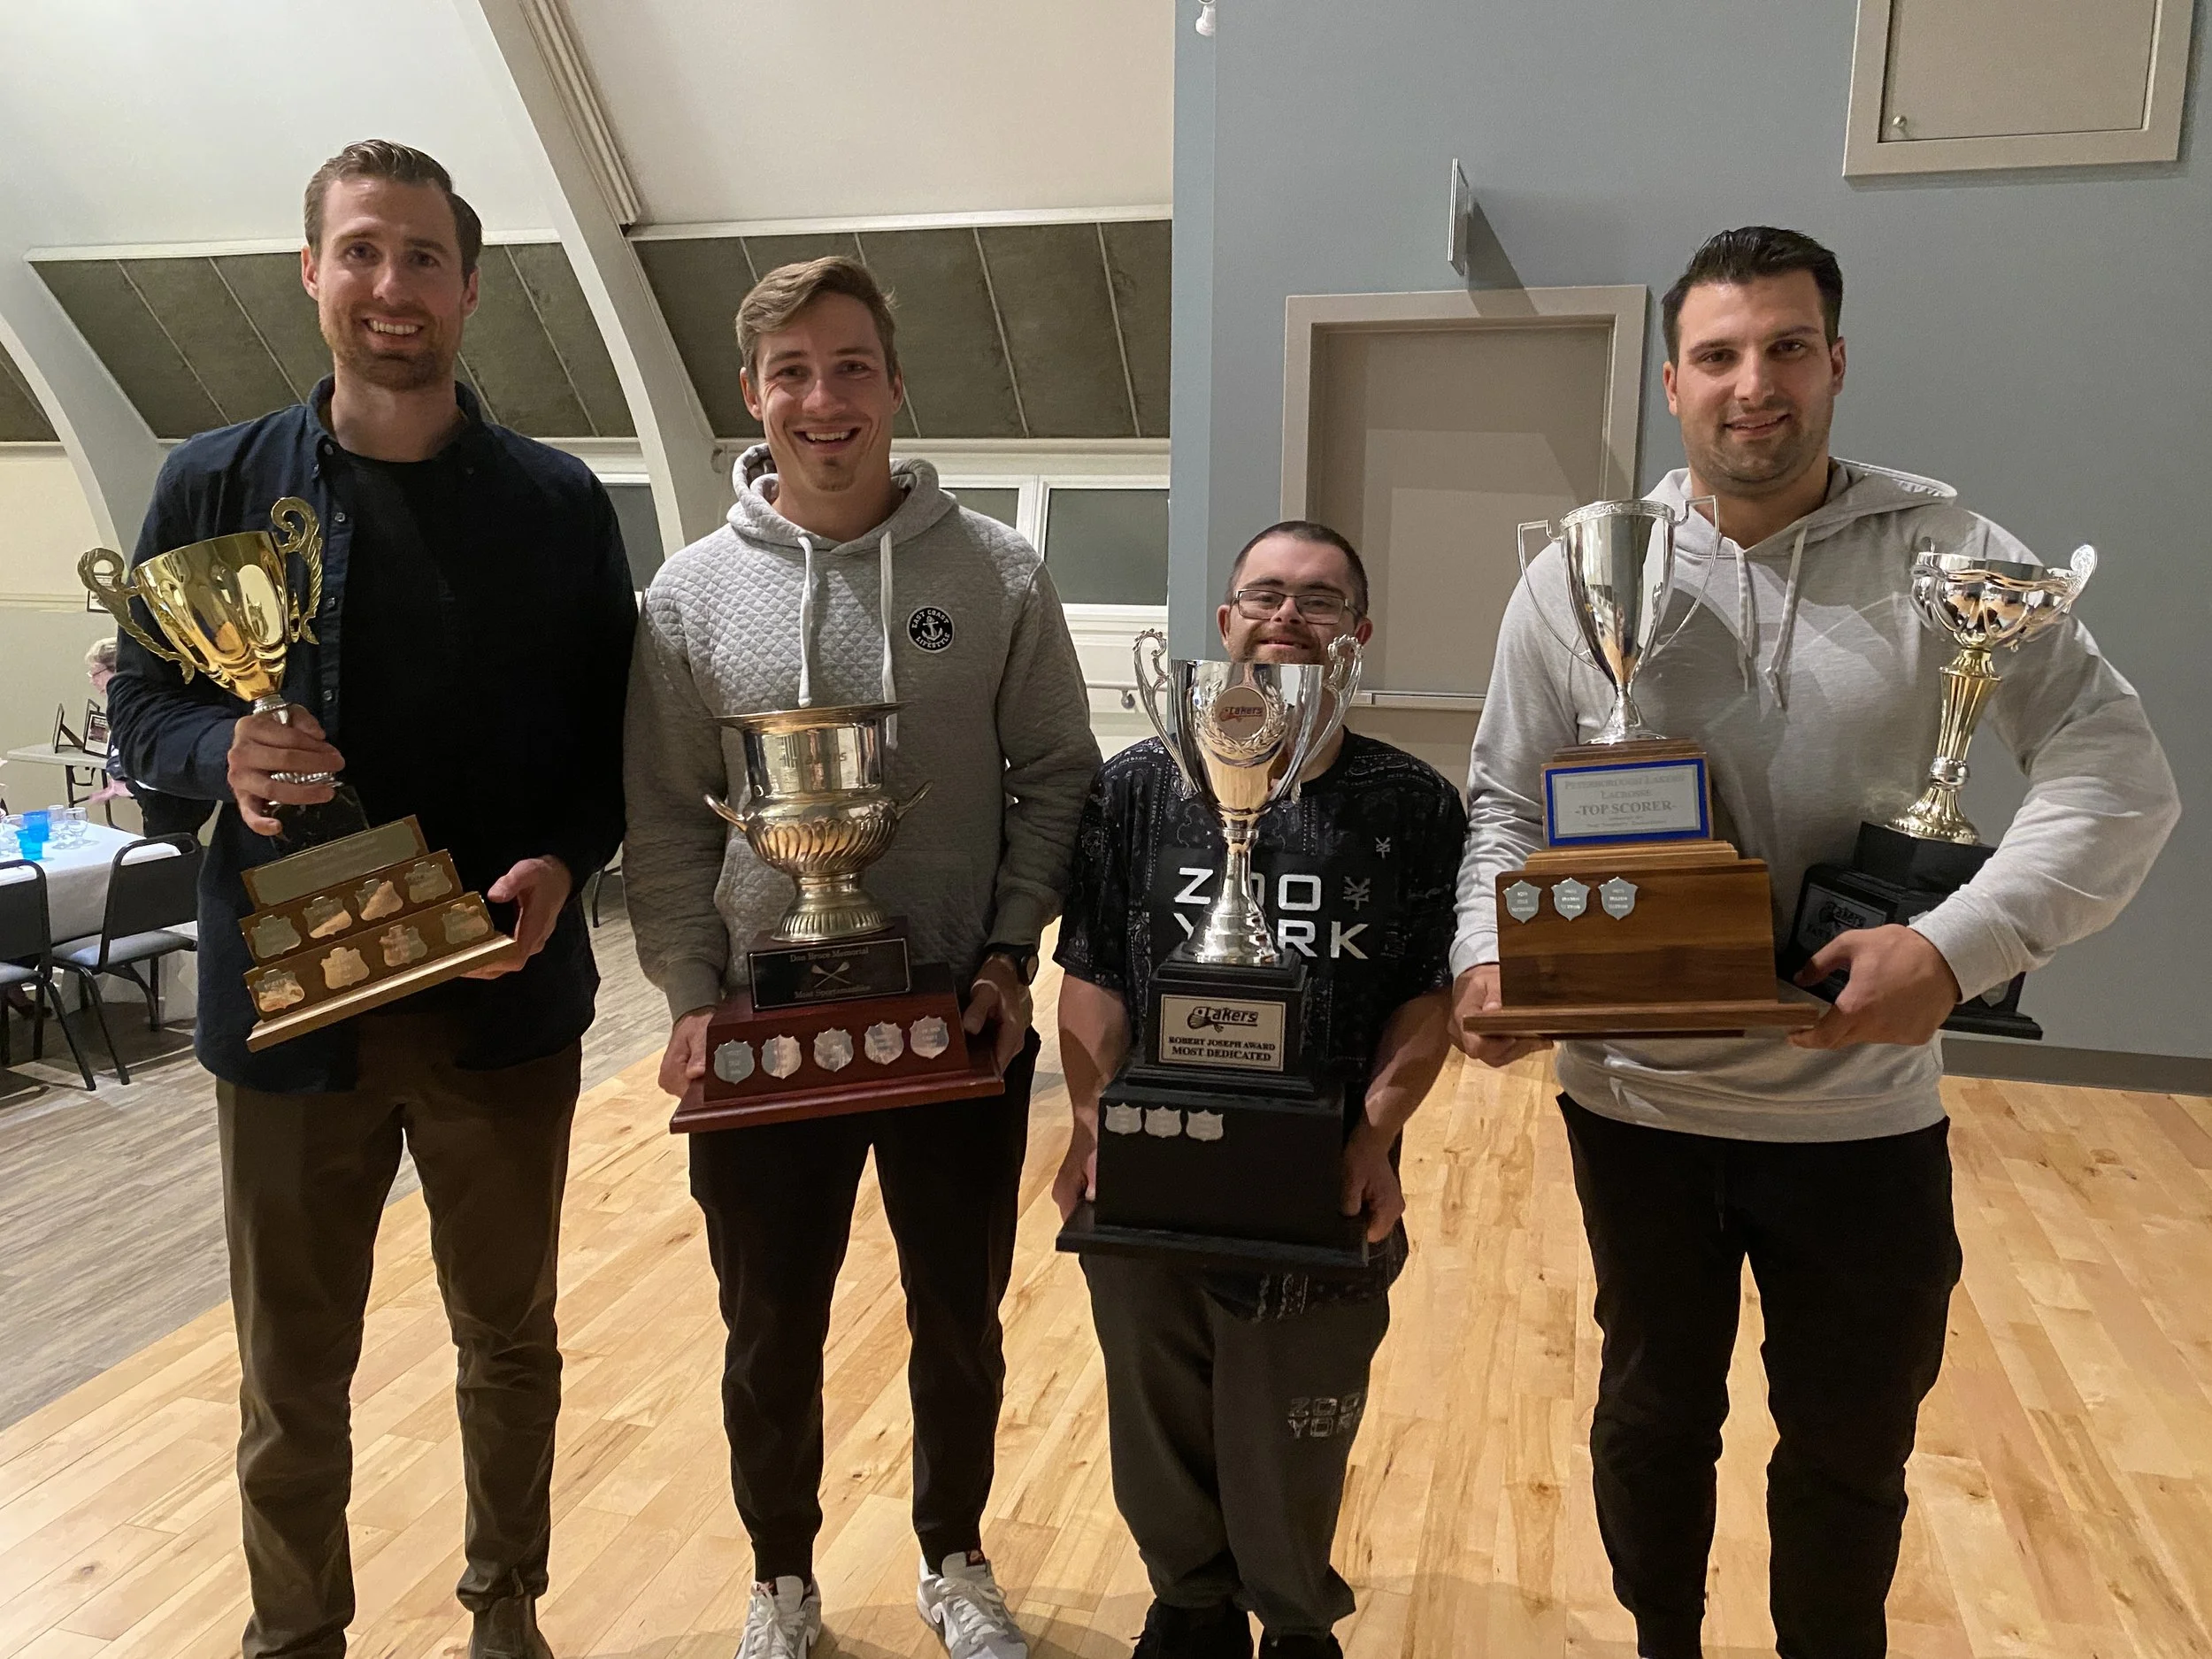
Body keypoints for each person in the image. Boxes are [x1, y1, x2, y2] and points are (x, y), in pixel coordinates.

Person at [1453, 226, 2179, 1659]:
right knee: (1651, 1420)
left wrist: (1957, 948)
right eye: (1719, 355)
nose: (1755, 384)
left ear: (1836, 362)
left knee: (1852, 1449)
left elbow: (2115, 775)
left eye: (1787, 348)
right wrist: (1491, 953)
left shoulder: (1955, 553)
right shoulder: (1582, 570)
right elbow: (1503, 800)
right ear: (1673, 382)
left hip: (1862, 1121)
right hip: (1638, 1106)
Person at [105, 140, 636, 1659]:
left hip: (500, 1003)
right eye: (360, 250)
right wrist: (221, 753)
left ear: (468, 288)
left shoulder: (557, 503)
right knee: (290, 1367)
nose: (390, 284)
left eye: (421, 257)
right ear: (311, 271)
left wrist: (565, 862)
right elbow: (144, 709)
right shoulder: (209, 482)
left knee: (509, 1341)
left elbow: (613, 742)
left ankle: (505, 1615)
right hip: (291, 1009)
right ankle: (295, 1636)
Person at [623, 255, 1098, 1659]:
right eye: (792, 373)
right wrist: (691, 996)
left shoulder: (997, 570)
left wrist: (1010, 955)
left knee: (960, 1313)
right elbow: (664, 815)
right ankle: (781, 1576)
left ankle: (955, 1555)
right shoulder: (689, 596)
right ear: (752, 396)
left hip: (956, 1013)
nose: (821, 399)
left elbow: (1057, 774)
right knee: (768, 1324)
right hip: (760, 1026)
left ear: (895, 385)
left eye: (848, 368)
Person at [1052, 522, 1464, 1659]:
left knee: (1298, 1418)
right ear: (1226, 622)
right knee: (1156, 1408)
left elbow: (1423, 993)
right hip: (1155, 1155)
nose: (1289, 615)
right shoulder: (1141, 784)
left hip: (1322, 1172)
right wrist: (1090, 1125)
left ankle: (1291, 1617)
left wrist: (1374, 1137)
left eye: (1319, 600)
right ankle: (1187, 1603)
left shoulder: (1409, 802)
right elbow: (1090, 969)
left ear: (1355, 636)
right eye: (1265, 595)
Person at [85, 637, 216, 837]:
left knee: (169, 850)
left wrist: (130, 786)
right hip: (166, 798)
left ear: (117, 668)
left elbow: (161, 758)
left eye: (96, 673)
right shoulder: (127, 704)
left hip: (175, 800)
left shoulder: (141, 706)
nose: (92, 680)